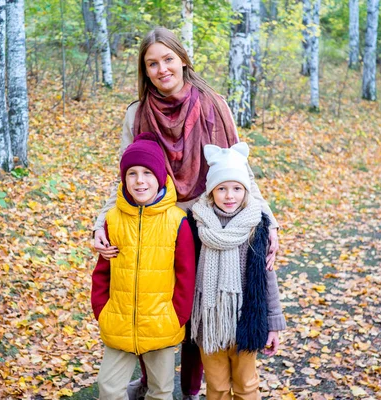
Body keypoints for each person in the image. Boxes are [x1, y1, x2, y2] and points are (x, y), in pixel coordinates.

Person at [92, 27, 281, 400]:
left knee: (198, 312)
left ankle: (192, 389)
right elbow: (129, 176)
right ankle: (151, 383)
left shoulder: (214, 104)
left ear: (182, 60)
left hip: (207, 219)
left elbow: (239, 171)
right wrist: (103, 218)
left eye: (167, 59)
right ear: (144, 71)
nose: (162, 69)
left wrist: (267, 217)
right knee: (150, 301)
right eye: (152, 63)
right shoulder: (137, 114)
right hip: (158, 222)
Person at [91, 132, 196, 400]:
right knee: (109, 388)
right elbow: (102, 272)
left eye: (148, 173)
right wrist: (102, 310)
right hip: (118, 321)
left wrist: (177, 316)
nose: (140, 181)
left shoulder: (177, 221)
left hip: (162, 322)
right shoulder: (112, 220)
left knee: (160, 391)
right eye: (132, 173)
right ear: (124, 178)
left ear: (160, 177)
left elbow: (186, 276)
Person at [189, 142, 287, 399]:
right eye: (222, 188)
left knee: (246, 386)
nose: (229, 195)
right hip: (209, 324)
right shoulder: (197, 224)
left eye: (236, 188)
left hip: (246, 320)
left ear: (246, 191)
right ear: (211, 192)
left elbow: (267, 277)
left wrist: (273, 324)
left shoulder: (256, 224)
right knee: (217, 387)